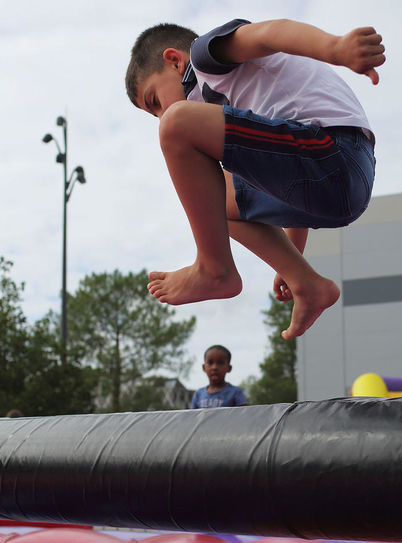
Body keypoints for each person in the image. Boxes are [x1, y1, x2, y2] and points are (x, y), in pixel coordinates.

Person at [126, 19, 384, 340]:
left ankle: (213, 269)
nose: (161, 116)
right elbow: (282, 172)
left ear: (175, 61)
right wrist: (291, 262)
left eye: (155, 102)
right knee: (214, 201)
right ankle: (309, 285)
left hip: (335, 151)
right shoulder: (233, 111)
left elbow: (267, 34)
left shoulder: (204, 58)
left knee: (178, 129)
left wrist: (335, 48)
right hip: (331, 183)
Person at [191, 345, 247, 409]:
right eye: (210, 363)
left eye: (220, 363)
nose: (214, 367)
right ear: (204, 367)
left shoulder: (236, 392)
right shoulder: (198, 394)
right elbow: (192, 417)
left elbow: (244, 416)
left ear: (229, 368)